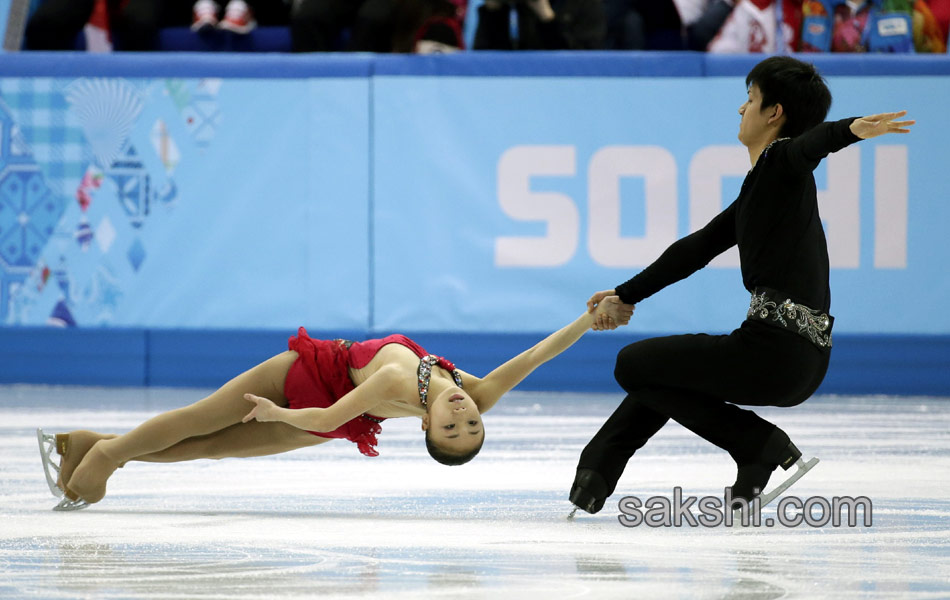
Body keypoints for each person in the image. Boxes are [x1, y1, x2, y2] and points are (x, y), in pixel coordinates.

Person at [570, 56, 914, 516]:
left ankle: (757, 442)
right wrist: (624, 294)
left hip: (775, 354)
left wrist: (849, 130)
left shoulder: (780, 162)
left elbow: (807, 146)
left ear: (774, 113)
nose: (740, 109)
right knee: (662, 372)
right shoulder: (761, 190)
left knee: (633, 363)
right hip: (795, 359)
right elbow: (694, 249)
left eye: (750, 99)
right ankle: (600, 471)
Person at [38, 297, 633, 510]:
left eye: (453, 427)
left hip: (327, 408)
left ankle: (95, 446)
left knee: (212, 447)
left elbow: (327, 418)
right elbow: (533, 359)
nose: (464, 413)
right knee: (201, 421)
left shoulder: (399, 388)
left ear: (427, 428)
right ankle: (107, 456)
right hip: (306, 374)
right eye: (471, 421)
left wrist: (276, 418)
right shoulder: (468, 389)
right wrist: (588, 319)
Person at [473, 0, 606, 50]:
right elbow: (484, 62)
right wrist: (492, 12)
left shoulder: (584, 4)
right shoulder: (514, 7)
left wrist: (547, 18)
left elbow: (586, 62)